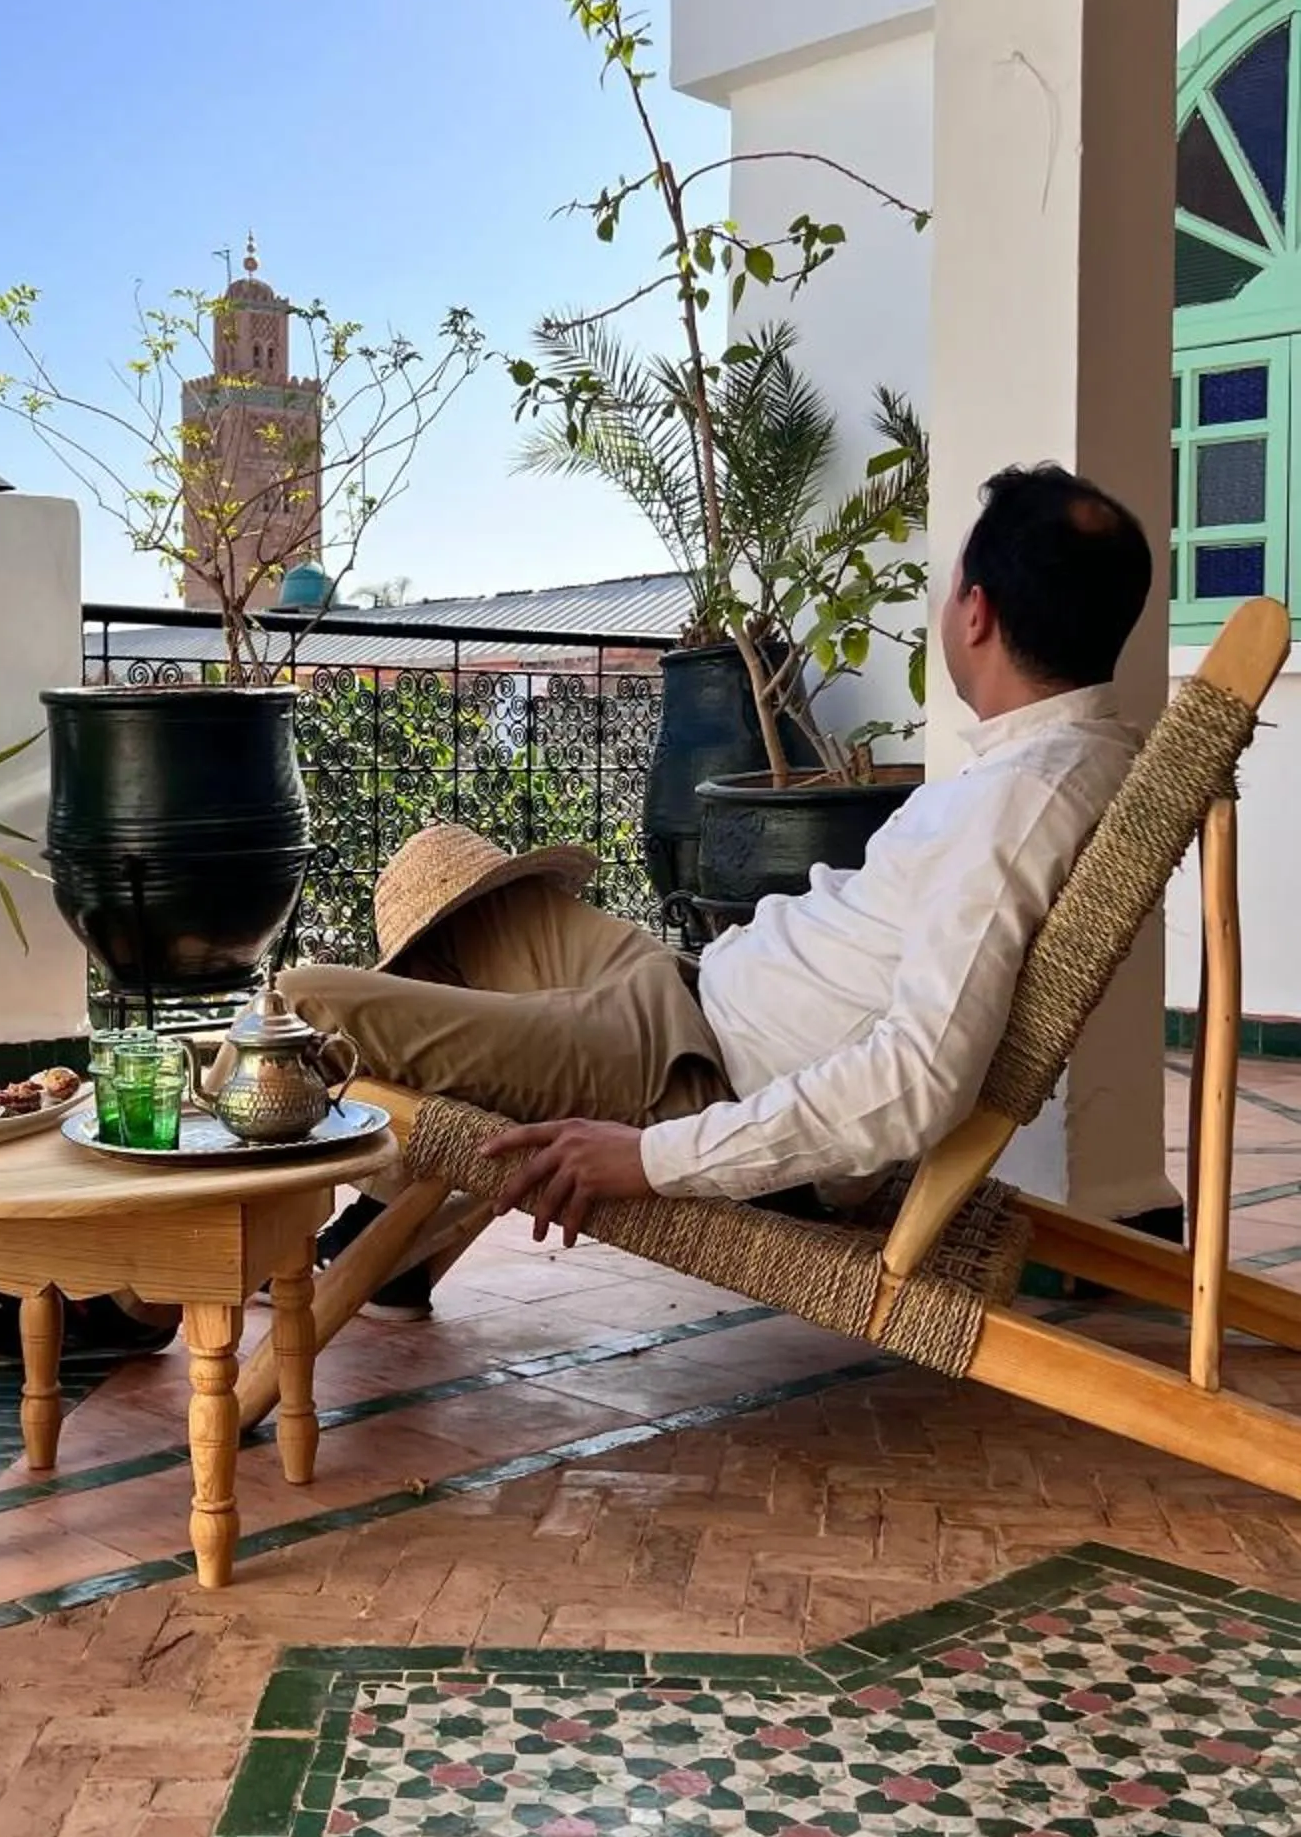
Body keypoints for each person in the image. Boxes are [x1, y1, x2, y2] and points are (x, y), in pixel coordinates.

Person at [284, 463, 1151, 1272]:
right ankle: (392, 1238)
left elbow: (916, 1080)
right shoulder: (1061, 762)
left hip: (688, 1073)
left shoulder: (1019, 806)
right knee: (483, 914)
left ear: (976, 614)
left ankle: (151, 1284)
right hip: (688, 993)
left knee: (303, 1008)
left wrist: (653, 1158)